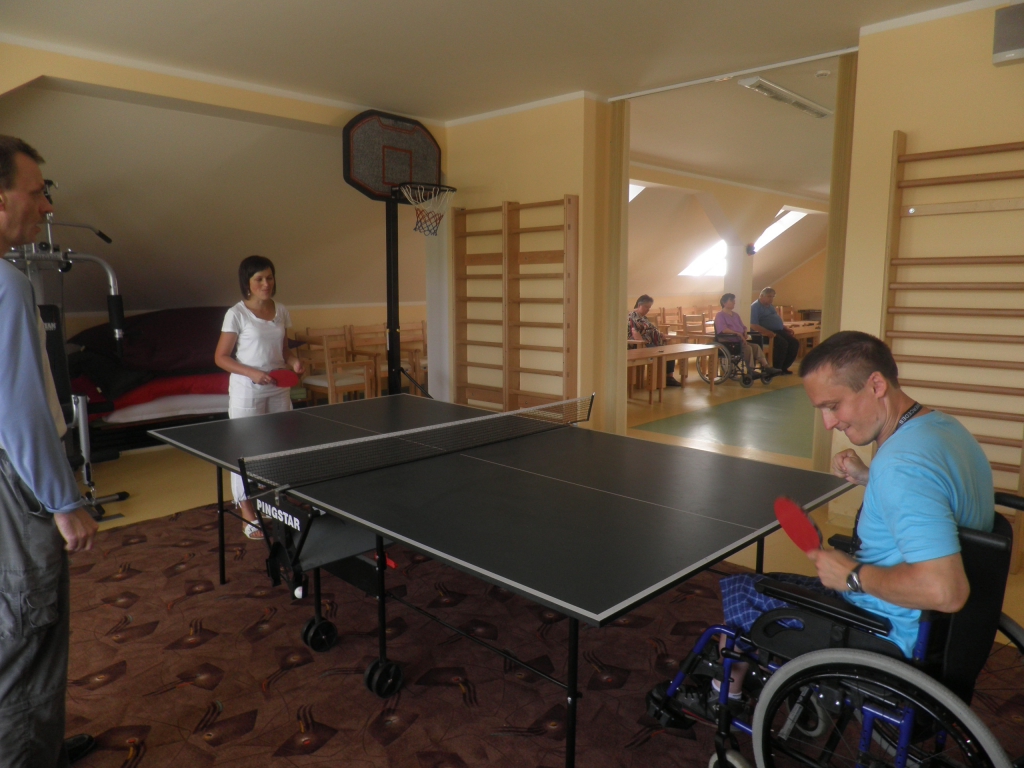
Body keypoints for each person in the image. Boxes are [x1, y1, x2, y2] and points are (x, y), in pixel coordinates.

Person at [677, 331, 993, 718]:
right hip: (945, 631)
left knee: (744, 589)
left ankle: (723, 697)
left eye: (834, 406)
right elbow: (933, 494)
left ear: (876, 384)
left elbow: (946, 590)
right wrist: (871, 478)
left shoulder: (901, 467)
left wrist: (853, 576)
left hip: (885, 630)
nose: (828, 423)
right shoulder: (942, 429)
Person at [0, 136, 99, 766]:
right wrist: (64, 501)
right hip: (16, 485)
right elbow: (20, 408)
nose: (46, 207)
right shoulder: (7, 285)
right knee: (29, 632)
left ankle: (42, 746)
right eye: (36, 193)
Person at [214, 256, 303, 539]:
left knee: (279, 445)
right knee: (244, 451)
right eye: (259, 279)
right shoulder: (236, 313)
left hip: (277, 387)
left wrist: (294, 362)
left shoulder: (281, 310)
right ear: (247, 283)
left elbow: (284, 351)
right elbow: (221, 357)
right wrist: (252, 373)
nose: (266, 283)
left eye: (269, 277)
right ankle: (247, 512)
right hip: (247, 389)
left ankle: (273, 501)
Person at [713, 293, 776, 376]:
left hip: (740, 341)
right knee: (748, 348)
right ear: (724, 303)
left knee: (756, 347)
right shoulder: (720, 315)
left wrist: (745, 331)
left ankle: (766, 367)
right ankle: (751, 370)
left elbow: (743, 326)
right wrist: (737, 333)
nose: (734, 302)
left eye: (734, 300)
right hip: (729, 342)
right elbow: (724, 330)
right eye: (731, 300)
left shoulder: (735, 315)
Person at [628, 294, 680, 386]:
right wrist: (643, 345)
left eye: (649, 307)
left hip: (651, 343)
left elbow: (651, 328)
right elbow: (635, 333)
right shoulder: (632, 317)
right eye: (646, 307)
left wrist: (660, 334)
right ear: (639, 305)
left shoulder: (643, 317)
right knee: (659, 352)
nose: (648, 310)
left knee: (669, 352)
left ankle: (669, 377)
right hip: (641, 345)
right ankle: (657, 379)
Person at [749, 287, 800, 374]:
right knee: (782, 343)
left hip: (778, 331)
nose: (771, 299)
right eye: (769, 296)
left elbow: (775, 319)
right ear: (761, 296)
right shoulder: (755, 307)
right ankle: (777, 368)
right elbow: (753, 325)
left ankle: (784, 367)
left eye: (773, 296)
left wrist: (784, 328)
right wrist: (767, 332)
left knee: (794, 343)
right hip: (765, 333)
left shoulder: (770, 306)